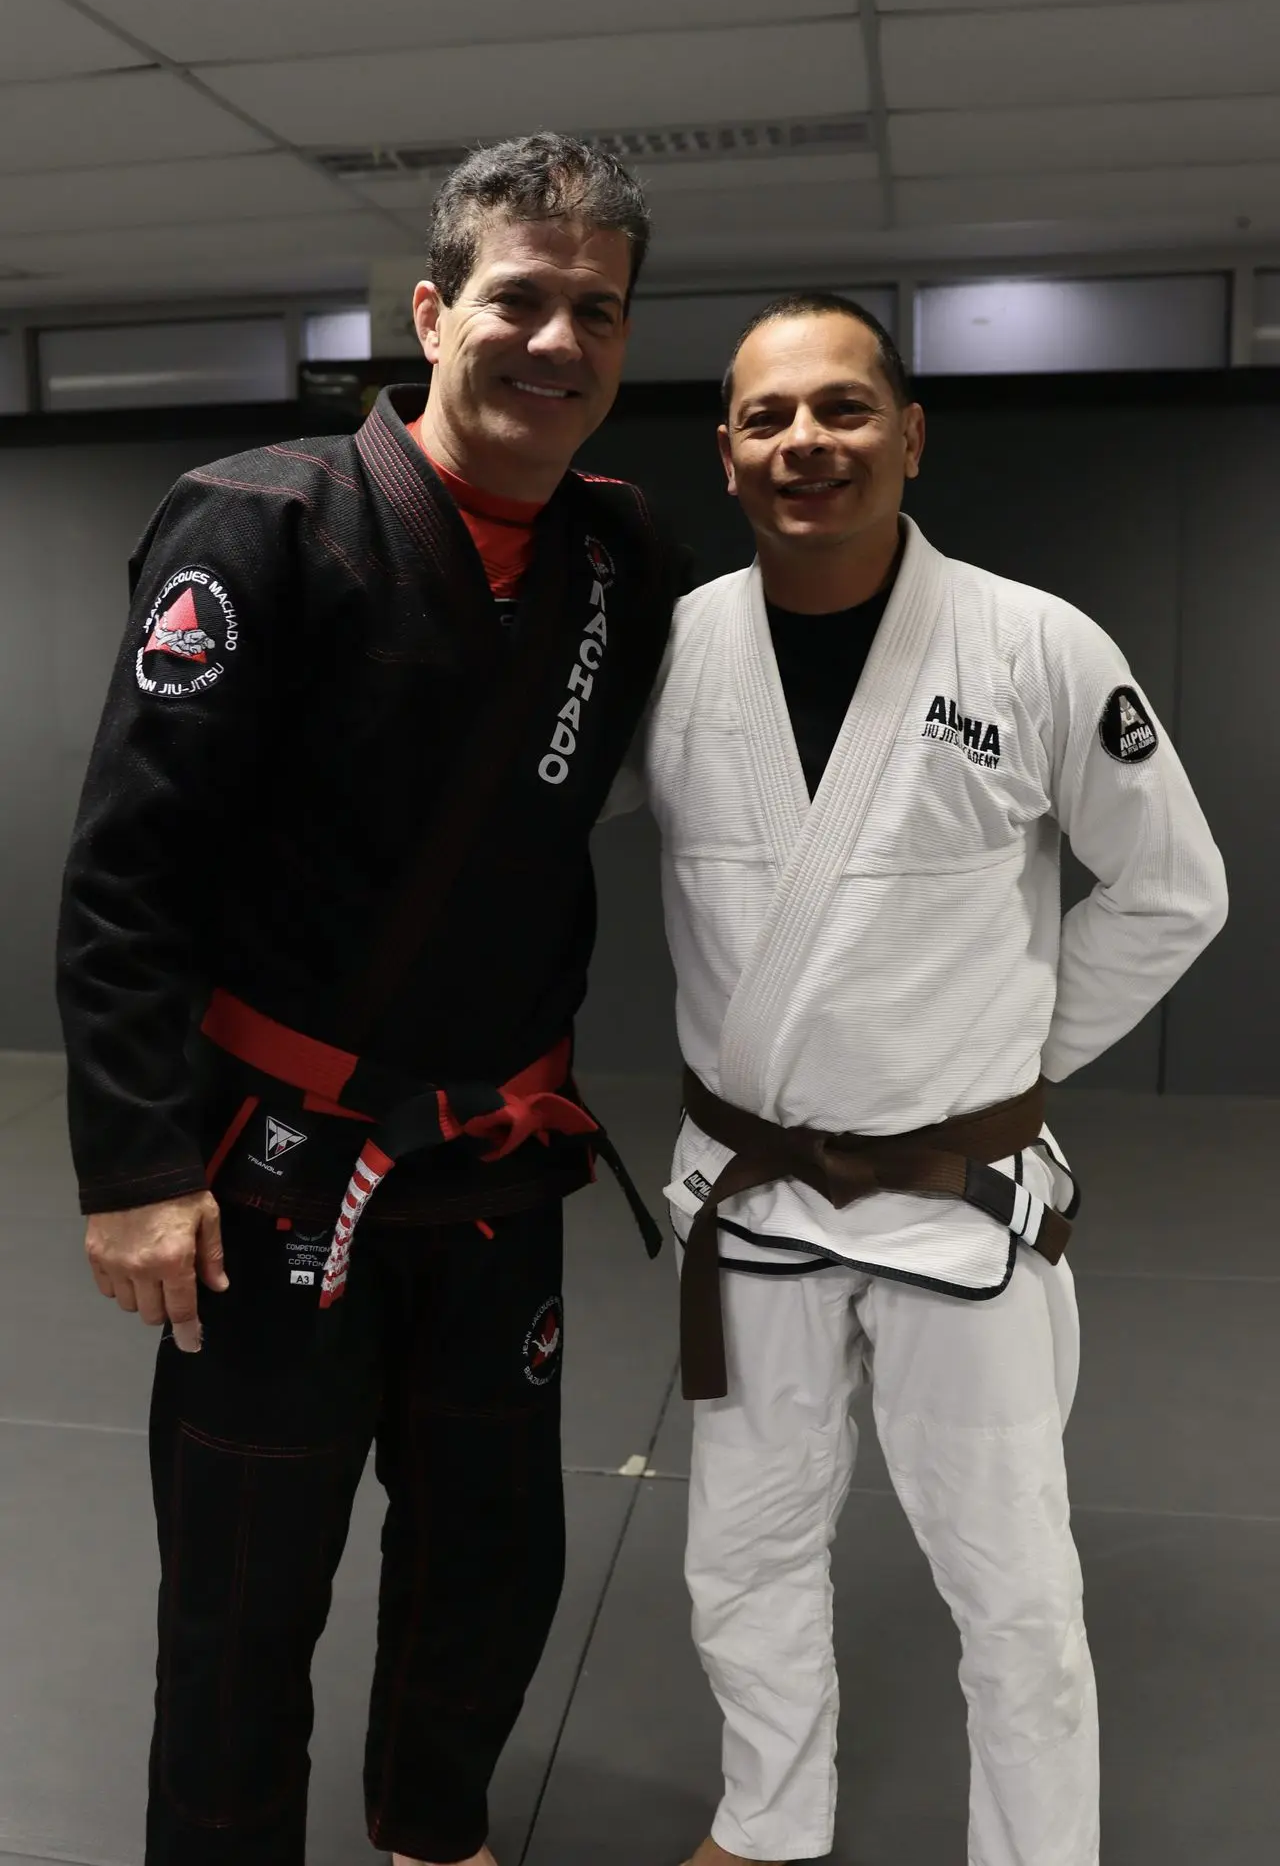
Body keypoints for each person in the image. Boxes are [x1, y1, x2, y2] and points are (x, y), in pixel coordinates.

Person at [55, 134, 685, 1866]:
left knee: (494, 1558)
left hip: (494, 1159)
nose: (557, 340)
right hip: (273, 1167)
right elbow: (131, 870)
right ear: (433, 310)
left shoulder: (622, 558)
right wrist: (133, 1167)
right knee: (248, 1590)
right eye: (520, 299)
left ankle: (433, 1829)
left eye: (598, 312)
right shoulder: (259, 526)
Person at [635, 293, 1228, 1866]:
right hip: (753, 1194)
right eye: (767, 418)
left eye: (841, 409)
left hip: (956, 1205)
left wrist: (1008, 1064)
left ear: (910, 432)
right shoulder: (674, 646)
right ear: (726, 453)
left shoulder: (1034, 643)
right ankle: (766, 1824)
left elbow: (1175, 888)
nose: (804, 443)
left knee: (1012, 1582)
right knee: (740, 1552)